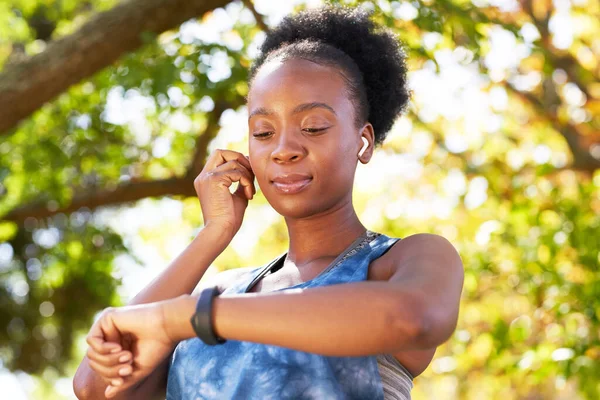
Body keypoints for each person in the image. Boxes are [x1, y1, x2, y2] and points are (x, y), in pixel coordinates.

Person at [73, 4, 464, 400]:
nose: (283, 150)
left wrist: (179, 318)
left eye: (312, 127)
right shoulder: (222, 292)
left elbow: (415, 318)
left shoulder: (403, 261)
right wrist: (213, 233)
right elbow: (94, 387)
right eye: (263, 132)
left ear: (362, 141)